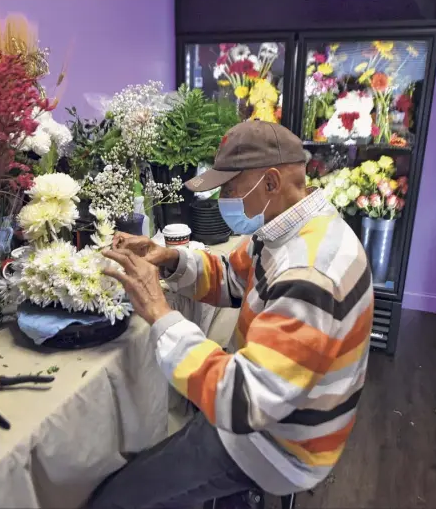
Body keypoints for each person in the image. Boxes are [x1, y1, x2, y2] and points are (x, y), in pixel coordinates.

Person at [88, 120, 374, 509]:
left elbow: (242, 401)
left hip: (280, 445)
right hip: (272, 410)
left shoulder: (309, 273)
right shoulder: (289, 229)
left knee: (116, 498)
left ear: (271, 182)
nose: (223, 198)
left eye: (230, 187)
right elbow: (233, 278)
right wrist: (169, 259)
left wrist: (159, 311)